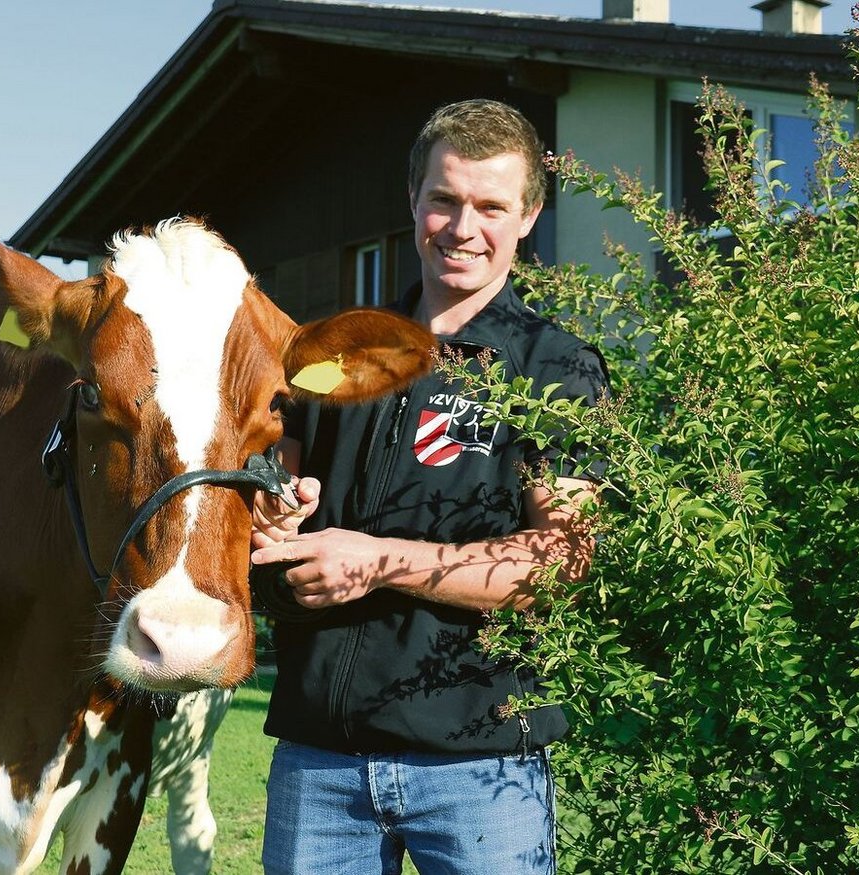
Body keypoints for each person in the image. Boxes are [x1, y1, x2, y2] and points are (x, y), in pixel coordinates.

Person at [250, 98, 609, 875]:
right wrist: (275, 512)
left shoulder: (558, 369)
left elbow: (560, 560)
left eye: (491, 206)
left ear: (528, 218)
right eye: (444, 199)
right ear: (412, 198)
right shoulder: (336, 349)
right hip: (321, 763)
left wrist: (377, 558)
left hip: (480, 770)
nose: (462, 227)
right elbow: (274, 488)